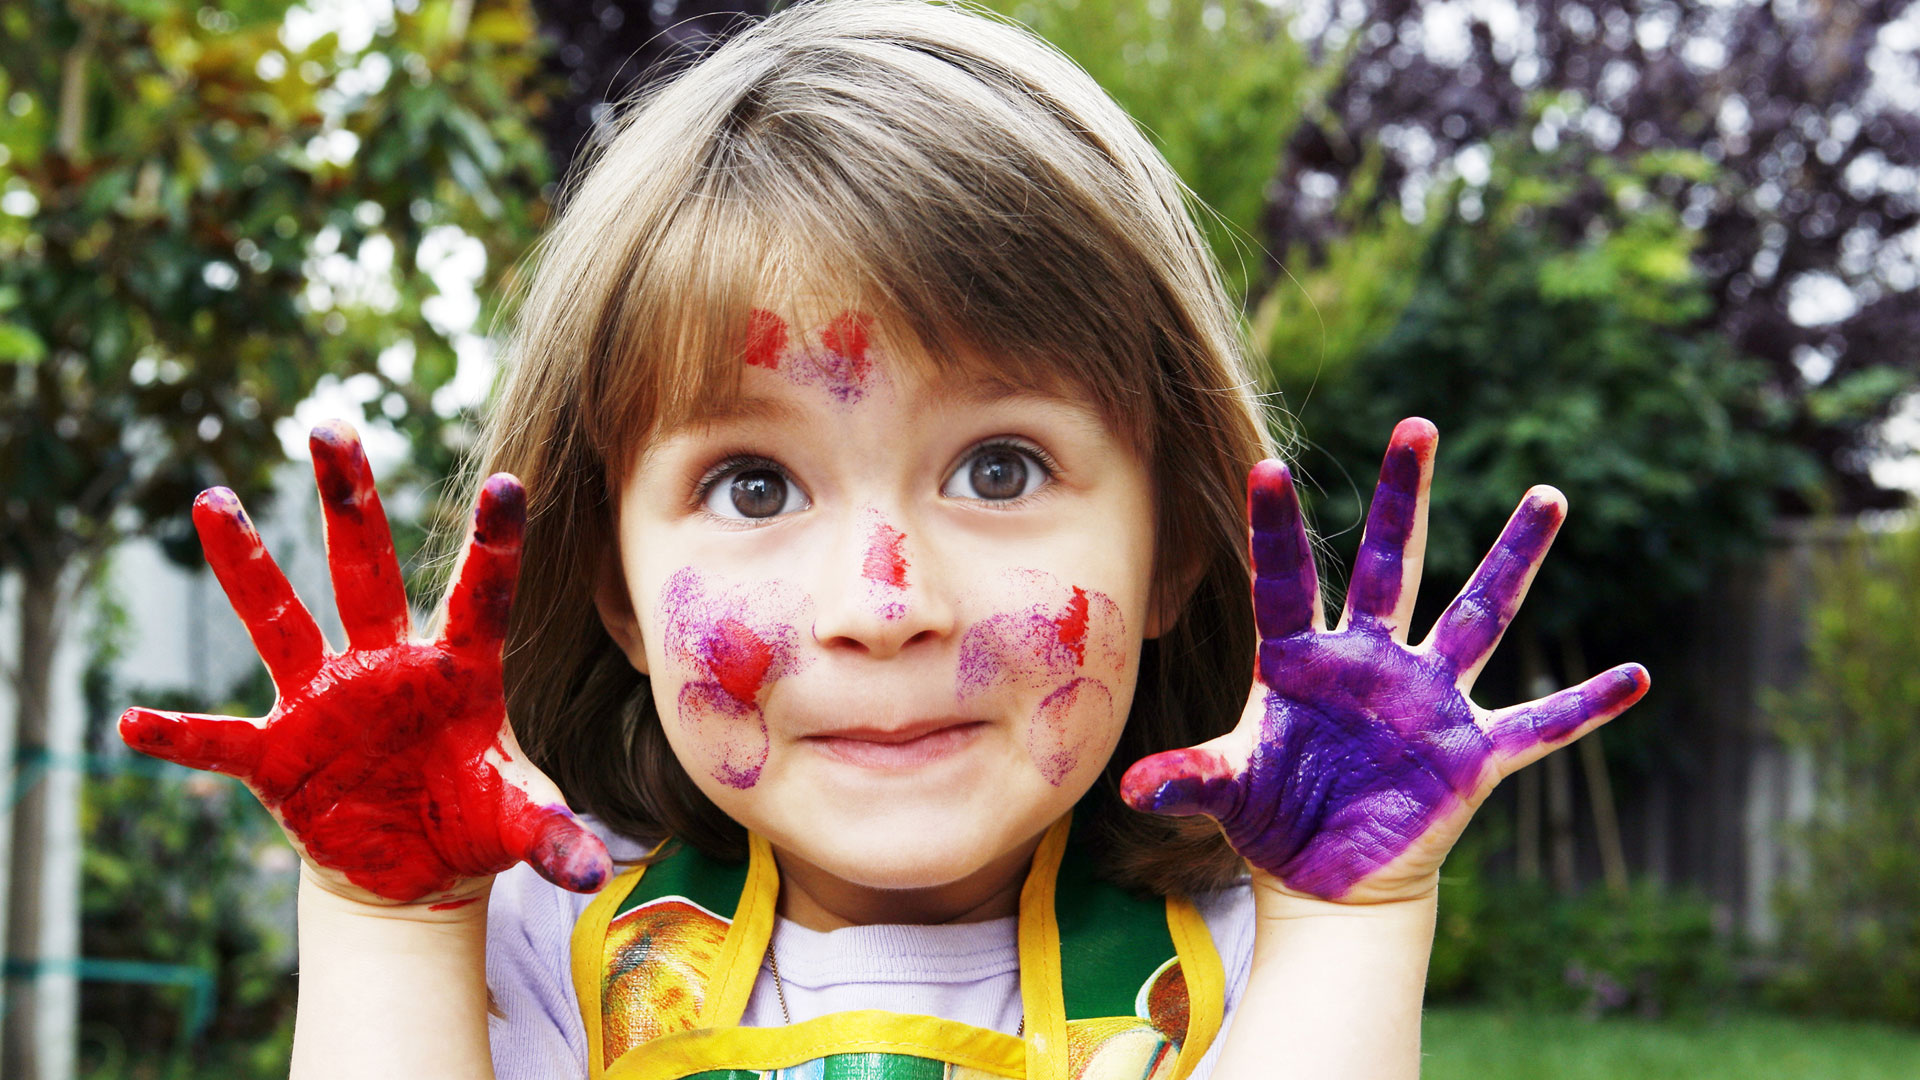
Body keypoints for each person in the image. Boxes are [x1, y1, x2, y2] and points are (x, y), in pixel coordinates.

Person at [118, 3, 1650, 1078]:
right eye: (755, 489)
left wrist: (1353, 920)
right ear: (619, 594)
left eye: (998, 466)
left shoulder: (1241, 978)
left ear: (1181, 545)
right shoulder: (541, 957)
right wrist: (381, 920)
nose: (883, 604)